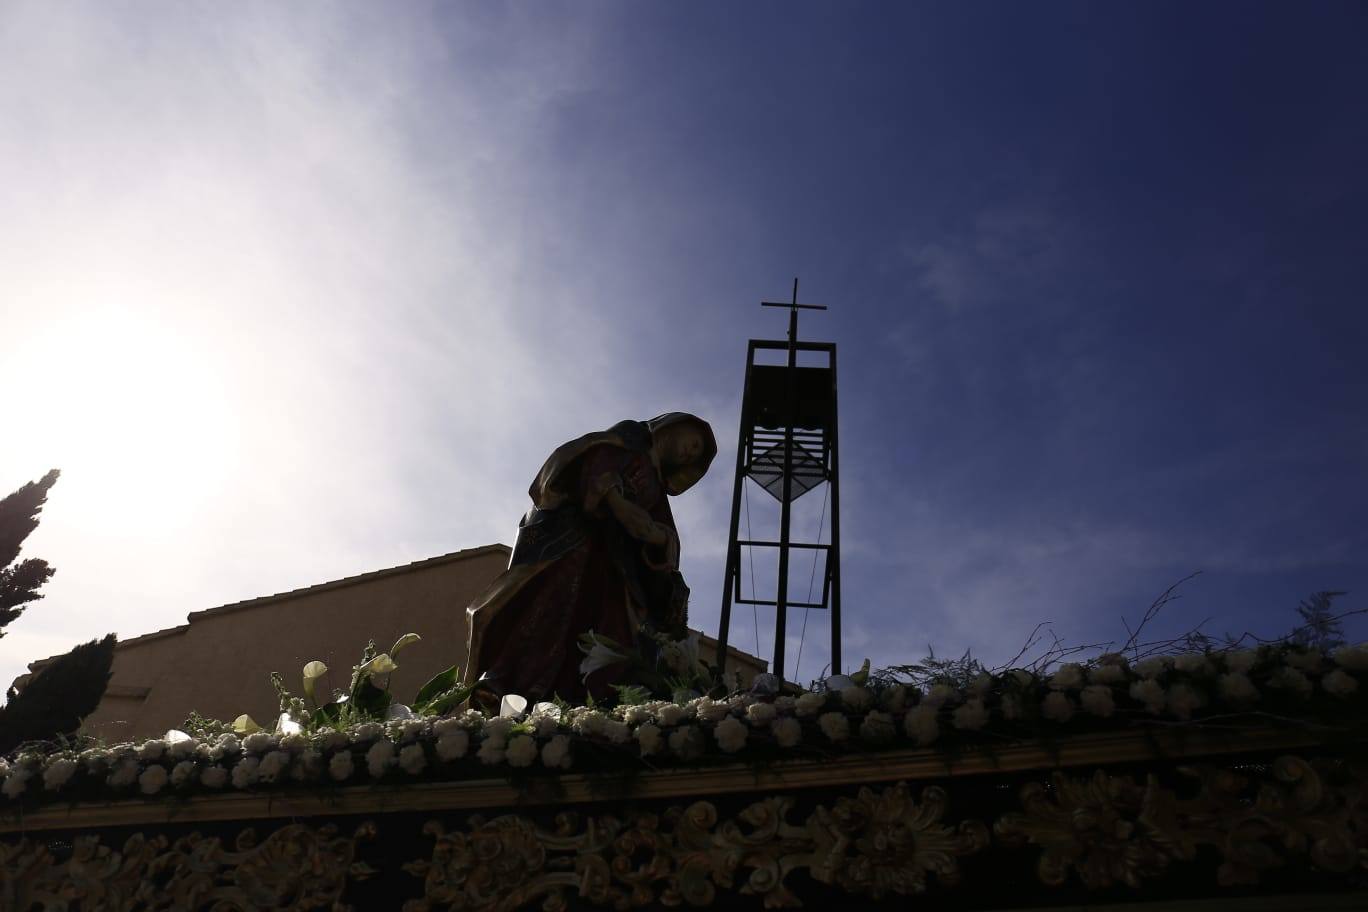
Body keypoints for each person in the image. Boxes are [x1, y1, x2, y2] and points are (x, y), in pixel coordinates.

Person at [463, 412, 717, 704]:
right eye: (692, 442)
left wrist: (658, 537)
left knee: (604, 637)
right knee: (546, 611)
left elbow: (665, 540)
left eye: (695, 453)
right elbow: (592, 466)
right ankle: (506, 683)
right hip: (571, 546)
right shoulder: (623, 444)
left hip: (613, 571)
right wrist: (615, 500)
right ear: (672, 428)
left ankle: (581, 702)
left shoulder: (656, 491)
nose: (690, 452)